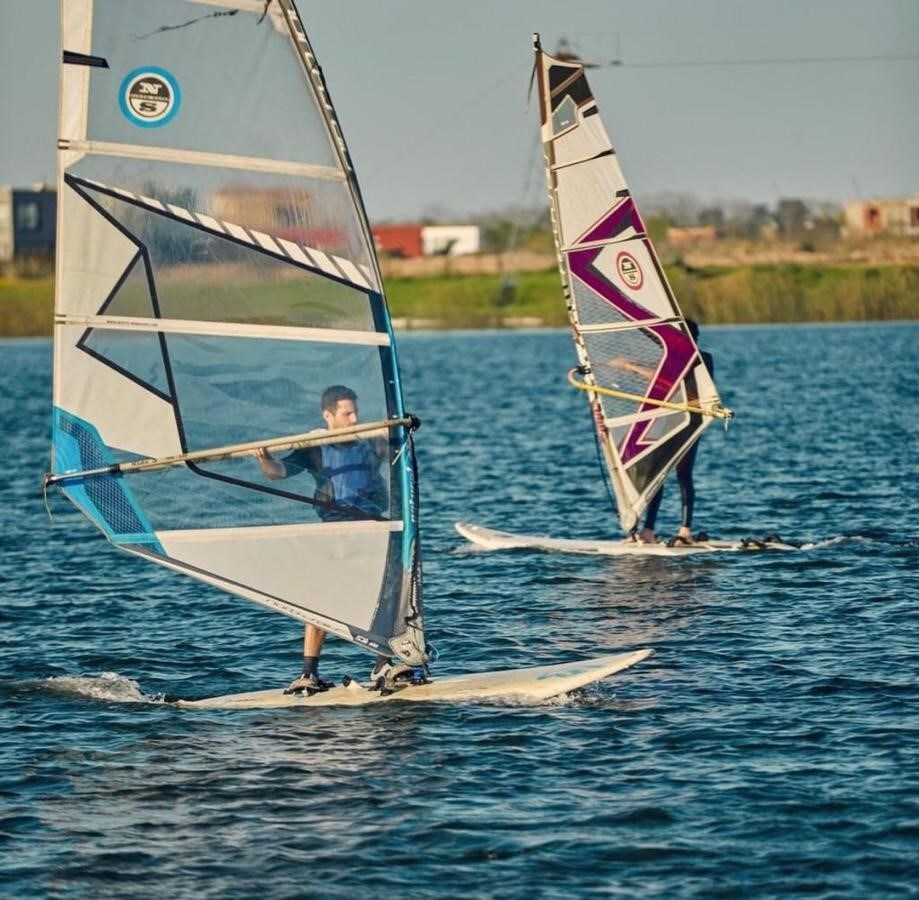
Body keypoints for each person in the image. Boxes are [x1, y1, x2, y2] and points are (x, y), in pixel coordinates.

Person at [255, 384, 412, 694]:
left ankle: (383, 664)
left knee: (389, 594)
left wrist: (399, 429)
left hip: (374, 526)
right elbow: (278, 472)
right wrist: (264, 459)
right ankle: (308, 672)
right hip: (336, 528)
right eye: (347, 414)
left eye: (356, 413)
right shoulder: (315, 449)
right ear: (328, 416)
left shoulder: (369, 442)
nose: (354, 419)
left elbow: (394, 449)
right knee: (322, 597)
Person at [605, 319, 714, 546]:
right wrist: (633, 323)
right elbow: (656, 343)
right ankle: (648, 531)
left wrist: (630, 366)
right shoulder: (673, 359)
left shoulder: (701, 357)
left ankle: (685, 531)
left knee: (683, 474)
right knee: (657, 473)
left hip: (690, 422)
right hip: (670, 421)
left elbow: (666, 378)